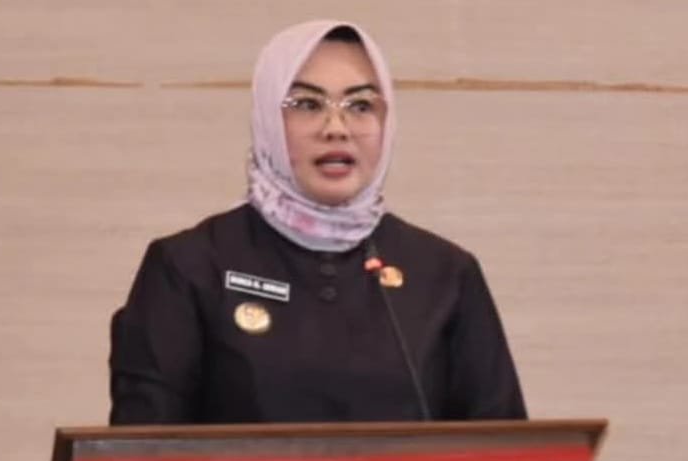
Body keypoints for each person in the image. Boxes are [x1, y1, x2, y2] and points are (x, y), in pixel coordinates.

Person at [109, 20, 527, 424]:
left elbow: (506, 453)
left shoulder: (445, 273)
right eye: (308, 105)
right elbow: (141, 454)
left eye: (360, 106)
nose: (337, 128)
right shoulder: (189, 267)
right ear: (268, 119)